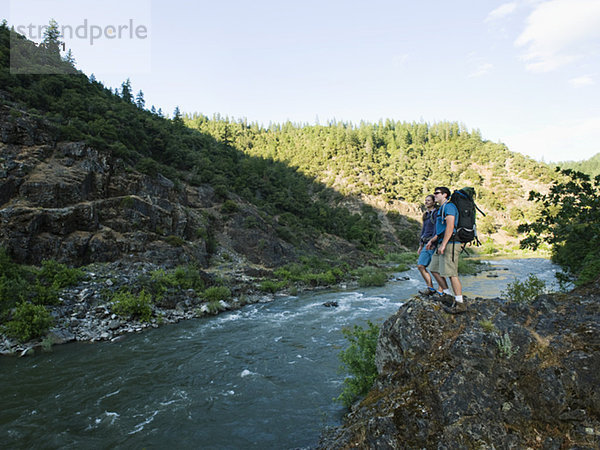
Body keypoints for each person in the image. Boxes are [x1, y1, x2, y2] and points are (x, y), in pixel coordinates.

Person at [426, 187, 466, 313]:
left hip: (451, 243)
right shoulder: (441, 209)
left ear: (445, 195)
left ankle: (460, 303)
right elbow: (442, 229)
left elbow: (450, 226)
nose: (435, 195)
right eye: (434, 193)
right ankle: (447, 295)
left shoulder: (449, 207)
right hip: (442, 242)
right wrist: (433, 240)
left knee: (451, 273)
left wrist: (443, 244)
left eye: (437, 193)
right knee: (433, 268)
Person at [417, 194, 438, 296]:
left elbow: (436, 230)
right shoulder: (426, 215)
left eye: (429, 200)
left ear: (434, 202)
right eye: (425, 200)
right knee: (421, 266)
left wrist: (433, 242)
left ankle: (442, 290)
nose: (426, 202)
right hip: (425, 243)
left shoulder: (436, 214)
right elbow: (423, 230)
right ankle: (430, 288)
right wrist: (421, 245)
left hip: (433, 243)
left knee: (435, 269)